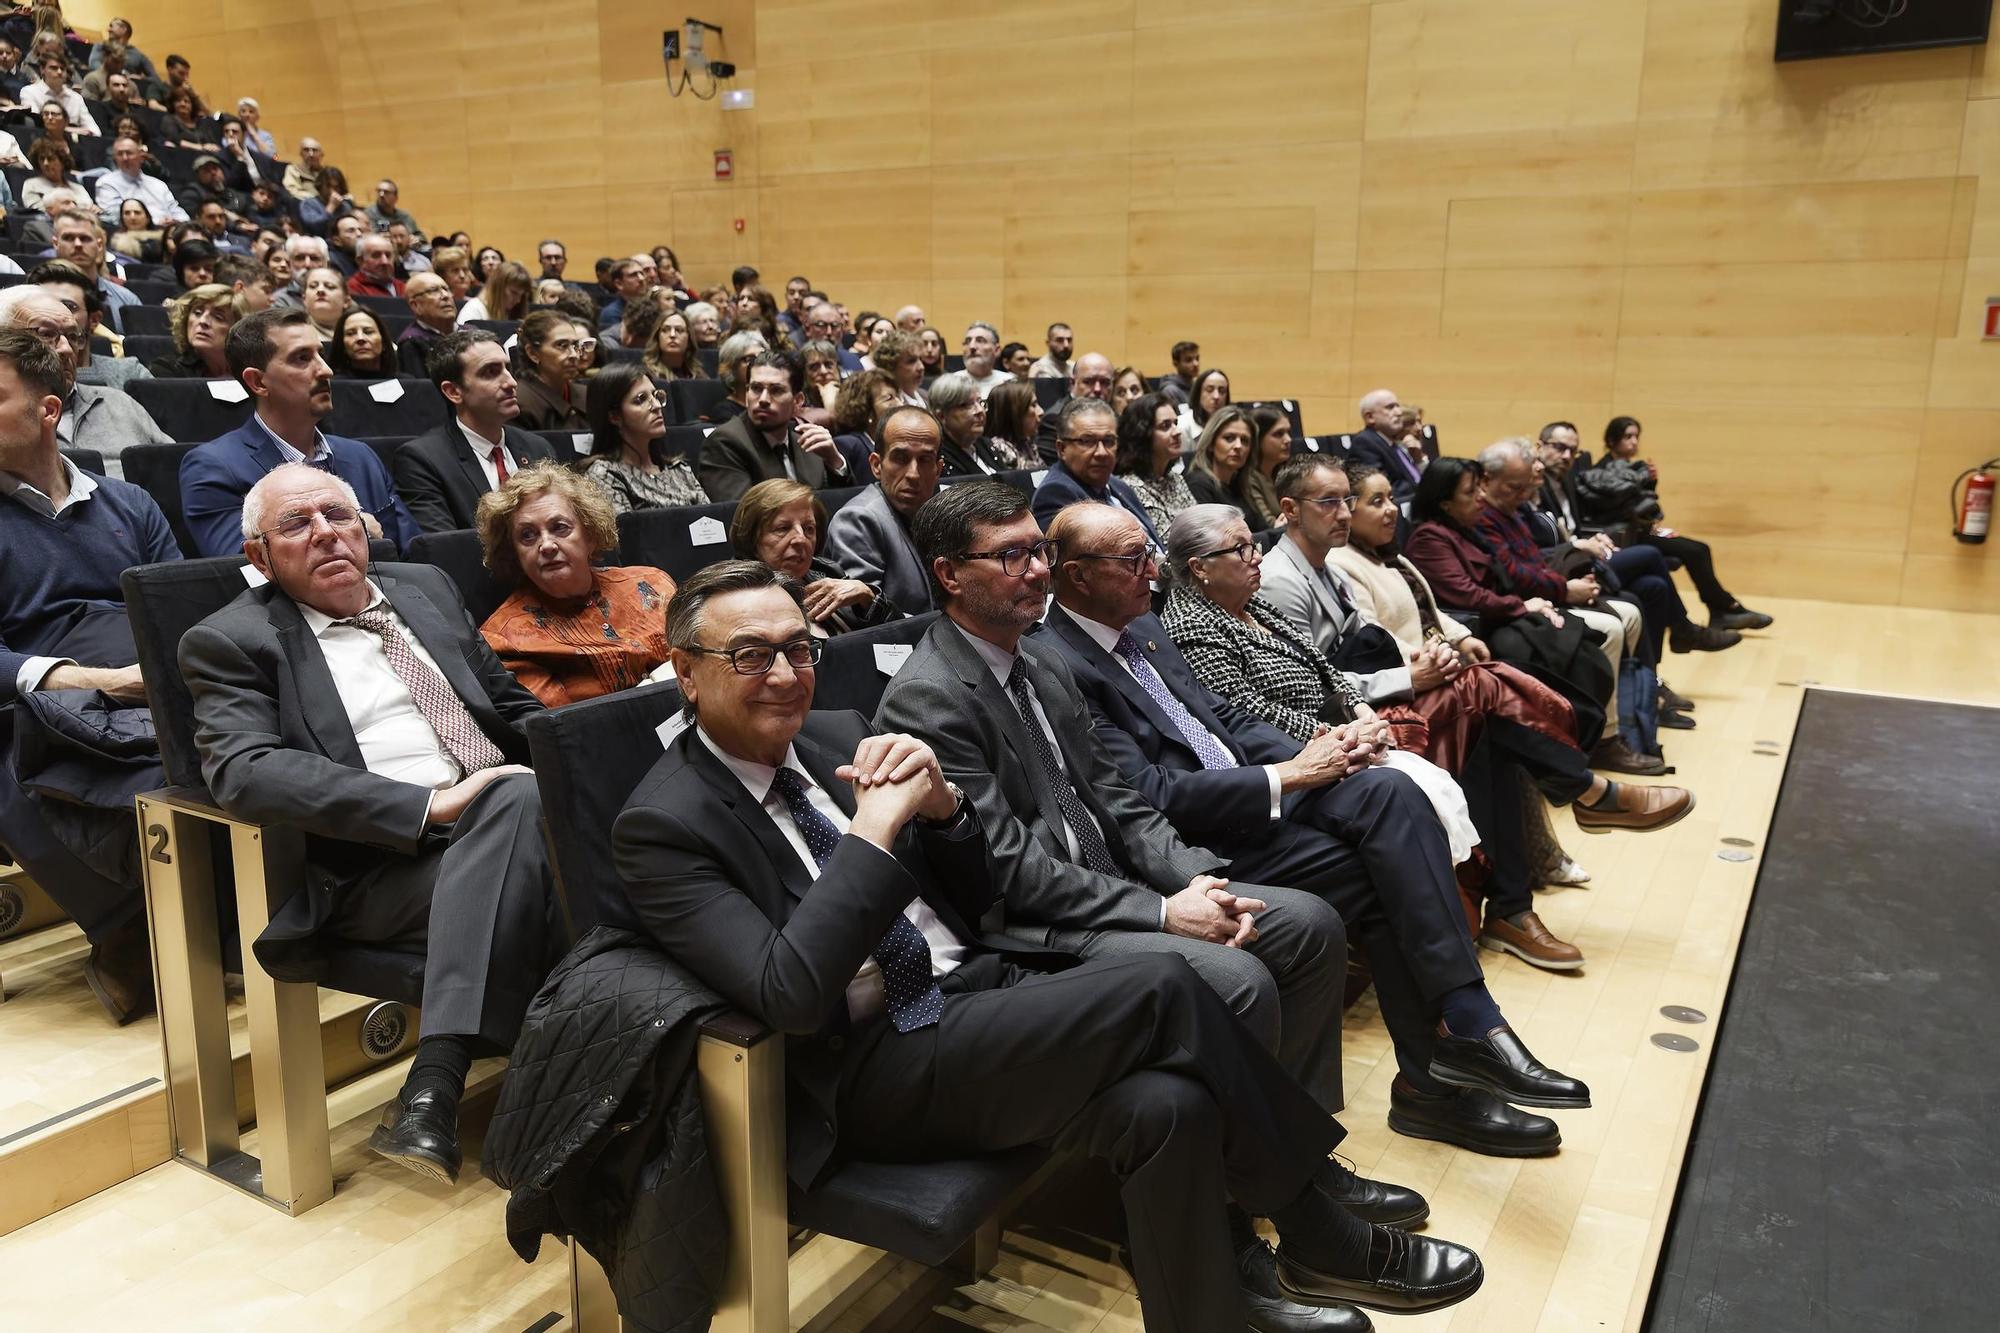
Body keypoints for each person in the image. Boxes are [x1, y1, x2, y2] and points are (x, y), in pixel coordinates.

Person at [616, 558, 1484, 1330]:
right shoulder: (662, 823)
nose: (785, 674)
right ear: (687, 674)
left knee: (1165, 1107)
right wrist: (874, 833)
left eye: (799, 649)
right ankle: (1315, 1219)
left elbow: (974, 890)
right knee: (1167, 986)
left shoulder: (839, 734)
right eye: (750, 655)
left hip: (974, 992)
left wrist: (947, 813)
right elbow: (790, 992)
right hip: (866, 1069)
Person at [1047, 502, 1600, 1149]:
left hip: (1258, 800)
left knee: (1391, 792)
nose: (1152, 571)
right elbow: (1149, 795)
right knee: (1389, 864)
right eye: (1133, 560)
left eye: (1149, 554)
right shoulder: (1060, 660)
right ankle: (1440, 1073)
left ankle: (1464, 1034)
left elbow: (1220, 719)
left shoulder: (1140, 625)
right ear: (1079, 574)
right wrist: (1290, 776)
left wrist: (1319, 742)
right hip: (1193, 843)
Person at [878, 482, 1350, 1113]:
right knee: (1237, 978)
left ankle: (1302, 1137)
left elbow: (1117, 798)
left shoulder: (1042, 664)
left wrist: (1196, 881)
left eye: (1039, 550)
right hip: (1041, 926)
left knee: (1310, 924)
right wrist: (1161, 913)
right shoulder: (929, 697)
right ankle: (1269, 1177)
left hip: (1122, 885)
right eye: (1012, 556)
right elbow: (1012, 870)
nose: (1039, 571)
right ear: (950, 574)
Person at [178, 462, 563, 1183]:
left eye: (339, 515)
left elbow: (510, 708)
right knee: (522, 807)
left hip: (512, 829)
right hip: (382, 864)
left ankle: (439, 1088)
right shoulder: (230, 640)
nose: (325, 532)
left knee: (583, 821)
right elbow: (245, 769)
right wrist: (428, 805)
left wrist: (584, 760)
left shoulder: (424, 590)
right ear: (259, 558)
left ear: (365, 528)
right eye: (296, 523)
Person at [0, 328, 180, 1024]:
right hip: (36, 695)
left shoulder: (128, 503)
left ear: (48, 409)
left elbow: (172, 604)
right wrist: (85, 678)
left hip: (148, 675)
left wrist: (159, 672)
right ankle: (123, 928)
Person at [179, 307, 419, 557]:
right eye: (302, 358)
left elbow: (411, 551)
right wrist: (357, 529)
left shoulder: (362, 457)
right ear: (258, 382)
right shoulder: (214, 467)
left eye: (321, 355)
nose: (326, 370)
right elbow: (247, 567)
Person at [475, 463, 674, 706]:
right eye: (527, 535)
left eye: (560, 528)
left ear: (590, 535)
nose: (546, 545)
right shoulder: (505, 639)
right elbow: (566, 727)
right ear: (513, 552)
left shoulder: (652, 584)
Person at [1581, 416, 1772, 632]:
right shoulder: (1603, 470)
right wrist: (1643, 478)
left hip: (1641, 529)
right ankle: (1721, 609)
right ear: (1612, 440)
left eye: (1636, 437)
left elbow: (1642, 504)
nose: (1634, 442)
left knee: (1699, 549)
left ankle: (1722, 609)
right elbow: (1617, 503)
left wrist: (1649, 483)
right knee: (1696, 550)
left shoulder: (1631, 468)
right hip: (1626, 536)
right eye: (1628, 436)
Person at [394, 328, 558, 533]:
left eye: (508, 369)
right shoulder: (422, 460)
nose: (511, 382)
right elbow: (448, 546)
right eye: (491, 372)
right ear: (454, 392)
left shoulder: (538, 448)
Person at [0, 284, 173, 458]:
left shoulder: (119, 403)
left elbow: (173, 467)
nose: (66, 349)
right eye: (45, 333)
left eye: (73, 337)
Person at [731, 479, 902, 635]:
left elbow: (901, 637)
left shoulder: (826, 571)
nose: (800, 539)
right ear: (752, 538)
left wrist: (868, 597)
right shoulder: (734, 595)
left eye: (809, 529)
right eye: (782, 528)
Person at [823, 406, 944, 614]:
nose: (913, 474)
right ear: (876, 465)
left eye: (924, 460)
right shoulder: (857, 519)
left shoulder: (944, 513)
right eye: (900, 458)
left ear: (938, 470)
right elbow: (862, 618)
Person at [698, 350, 854, 503]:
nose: (763, 399)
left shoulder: (805, 439)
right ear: (747, 394)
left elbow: (841, 507)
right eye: (756, 389)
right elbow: (744, 517)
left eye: (776, 390)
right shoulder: (725, 443)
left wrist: (835, 462)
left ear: (798, 401)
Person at [1030, 397, 1162, 548]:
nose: (1101, 452)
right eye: (1087, 441)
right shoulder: (1056, 493)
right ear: (1062, 449)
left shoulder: (1118, 485)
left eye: (1109, 441)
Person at [581, 361, 708, 514]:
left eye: (655, 396)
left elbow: (713, 526)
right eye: (641, 399)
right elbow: (628, 535)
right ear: (614, 416)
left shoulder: (679, 469)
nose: (656, 405)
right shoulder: (604, 474)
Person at [1115, 391, 1196, 537]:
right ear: (1143, 434)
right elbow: (1166, 543)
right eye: (1166, 426)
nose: (1177, 431)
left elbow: (1202, 526)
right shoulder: (1131, 487)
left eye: (1175, 423)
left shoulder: (1175, 479)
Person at [927, 370, 1021, 475]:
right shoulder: (939, 458)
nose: (979, 410)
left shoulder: (986, 444)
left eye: (980, 402)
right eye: (966, 405)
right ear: (942, 416)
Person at [508, 311, 587, 433]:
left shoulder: (587, 394)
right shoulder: (517, 404)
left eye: (575, 345)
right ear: (533, 353)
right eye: (561, 345)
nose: (574, 355)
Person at [1032, 352, 1115, 459]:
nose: (1097, 389)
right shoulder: (1055, 419)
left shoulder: (1114, 416)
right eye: (1088, 381)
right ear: (1072, 383)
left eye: (1105, 382)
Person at [1346, 389, 1426, 501]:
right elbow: (1379, 491)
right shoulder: (1365, 443)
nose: (1399, 412)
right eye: (1390, 407)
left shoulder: (1391, 441)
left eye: (1398, 406)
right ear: (1370, 417)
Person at [150, 283, 238, 378]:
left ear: (237, 328)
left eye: (218, 317)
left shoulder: (249, 370)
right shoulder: (166, 369)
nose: (203, 321)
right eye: (197, 313)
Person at [94, 134, 186, 226]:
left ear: (141, 156)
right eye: (120, 154)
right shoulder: (106, 183)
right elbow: (117, 217)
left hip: (169, 232)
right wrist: (155, 223)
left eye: (129, 153)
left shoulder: (158, 184)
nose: (124, 158)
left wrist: (178, 220)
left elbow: (176, 210)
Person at [1186, 404, 1256, 515]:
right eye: (1229, 438)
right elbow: (1212, 532)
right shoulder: (1199, 484)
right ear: (1211, 444)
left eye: (1244, 440)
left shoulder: (1240, 485)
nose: (1238, 446)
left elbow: (1264, 527)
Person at [1239, 406, 1295, 531]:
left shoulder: (1283, 474)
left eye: (1288, 433)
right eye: (1278, 434)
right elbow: (1269, 524)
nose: (1288, 440)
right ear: (1258, 439)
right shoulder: (1248, 478)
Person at [396, 271, 457, 377]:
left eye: (446, 289)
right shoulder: (412, 343)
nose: (445, 296)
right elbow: (422, 389)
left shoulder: (470, 331)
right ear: (415, 305)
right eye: (434, 291)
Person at [22, 56, 99, 137]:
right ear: (42, 70)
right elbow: (37, 125)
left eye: (62, 69)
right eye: (54, 68)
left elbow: (95, 131)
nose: (59, 72)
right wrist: (71, 130)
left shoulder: (76, 98)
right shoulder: (29, 92)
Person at [984, 378, 1042, 462]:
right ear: (1014, 412)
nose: (1041, 412)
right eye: (1033, 405)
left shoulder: (1026, 442)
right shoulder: (999, 449)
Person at [641, 306, 705, 383]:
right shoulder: (646, 375)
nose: (672, 335)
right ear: (657, 337)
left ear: (689, 338)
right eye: (666, 330)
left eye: (679, 330)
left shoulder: (698, 375)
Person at [457, 260, 530, 325]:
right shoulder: (474, 309)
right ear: (498, 288)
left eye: (521, 295)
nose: (518, 300)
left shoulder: (513, 312)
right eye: (514, 293)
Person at [326, 305, 392, 377]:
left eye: (368, 332)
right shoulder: (331, 385)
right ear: (342, 345)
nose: (360, 338)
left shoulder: (403, 383)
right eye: (350, 333)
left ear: (383, 341)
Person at [872, 327, 928, 407]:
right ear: (890, 365)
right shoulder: (886, 403)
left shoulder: (925, 396)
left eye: (920, 359)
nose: (921, 367)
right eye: (911, 361)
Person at [1178, 367, 1231, 449]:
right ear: (1198, 393)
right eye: (1209, 390)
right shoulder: (1182, 426)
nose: (1216, 396)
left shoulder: (1232, 425)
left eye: (1222, 391)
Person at [345, 233, 404, 299]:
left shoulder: (401, 286)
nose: (385, 261)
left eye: (388, 255)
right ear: (360, 261)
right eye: (376, 255)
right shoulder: (352, 289)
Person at [298, 264, 348, 341]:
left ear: (346, 300)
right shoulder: (295, 335)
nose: (320, 290)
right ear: (304, 299)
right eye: (313, 286)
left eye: (330, 286)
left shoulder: (360, 333)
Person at [959, 321, 1009, 395]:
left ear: (997, 350)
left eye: (980, 341)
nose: (972, 346)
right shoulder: (948, 384)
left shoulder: (1011, 383)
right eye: (967, 341)